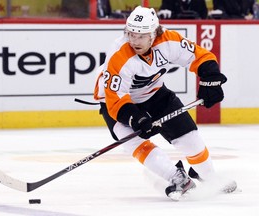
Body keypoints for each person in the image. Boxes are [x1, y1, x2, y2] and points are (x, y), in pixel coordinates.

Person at [93, 6, 236, 200]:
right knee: (135, 142)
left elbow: (201, 56)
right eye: (131, 34)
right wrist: (135, 118)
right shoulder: (119, 55)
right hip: (114, 104)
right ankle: (176, 178)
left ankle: (207, 175)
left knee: (190, 138)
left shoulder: (169, 41)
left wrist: (210, 80)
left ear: (154, 33)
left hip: (155, 94)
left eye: (141, 36)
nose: (134, 40)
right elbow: (116, 98)